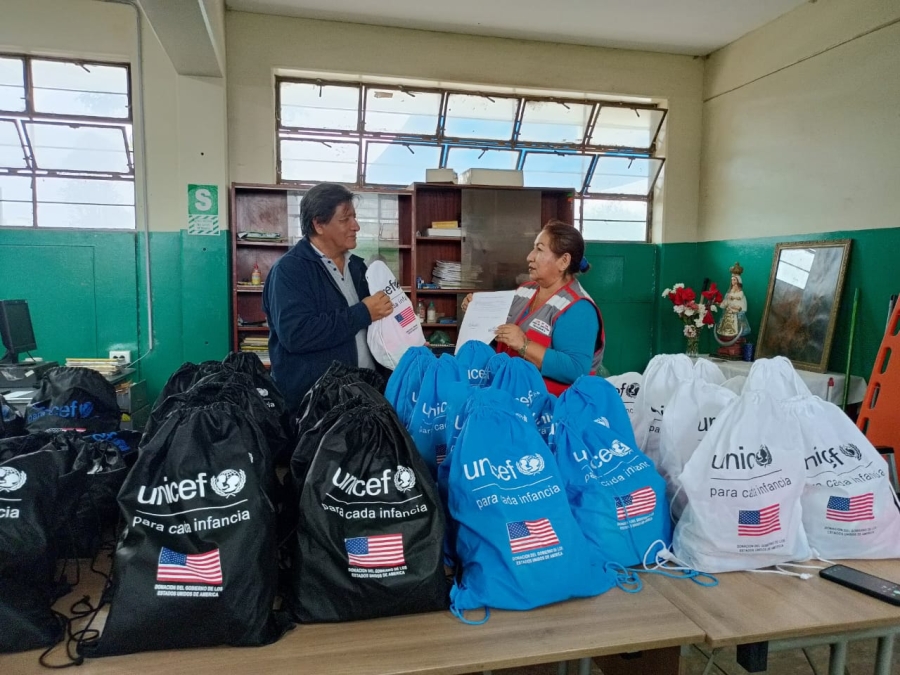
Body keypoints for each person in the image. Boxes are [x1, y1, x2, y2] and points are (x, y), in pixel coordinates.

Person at [263, 183, 393, 413]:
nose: (356, 226)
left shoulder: (357, 267)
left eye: (355, 217)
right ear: (319, 224)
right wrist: (362, 313)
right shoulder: (290, 270)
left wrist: (403, 343)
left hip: (364, 396)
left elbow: (376, 326)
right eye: (345, 219)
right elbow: (296, 334)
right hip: (316, 407)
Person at [462, 220, 604, 395]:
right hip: (510, 397)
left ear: (564, 261)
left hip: (550, 410)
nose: (530, 256)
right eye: (533, 248)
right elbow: (499, 334)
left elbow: (575, 369)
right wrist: (478, 311)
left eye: (539, 249)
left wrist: (524, 345)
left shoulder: (578, 308)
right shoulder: (525, 291)